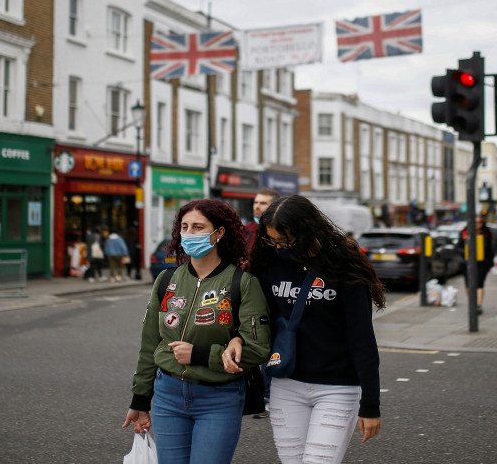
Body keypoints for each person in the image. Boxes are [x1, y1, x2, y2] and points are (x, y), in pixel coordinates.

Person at [237, 195, 385, 464]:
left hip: (337, 387)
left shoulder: (343, 265)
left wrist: (371, 404)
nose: (280, 247)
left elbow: (362, 338)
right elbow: (256, 319)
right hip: (286, 384)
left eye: (287, 241)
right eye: (273, 240)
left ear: (307, 231)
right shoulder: (270, 263)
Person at [122, 199, 272, 464]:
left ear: (219, 233)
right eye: (185, 227)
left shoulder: (243, 283)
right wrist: (140, 399)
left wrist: (201, 355)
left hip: (219, 397)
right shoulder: (166, 280)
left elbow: (258, 349)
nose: (189, 234)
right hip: (168, 395)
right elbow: (150, 344)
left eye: (198, 227)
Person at [243, 187, 280, 419]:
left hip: (271, 297)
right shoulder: (246, 231)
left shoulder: (276, 233)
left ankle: (268, 396)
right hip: (248, 296)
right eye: (256, 202)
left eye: (264, 203)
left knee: (270, 347)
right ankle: (257, 396)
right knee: (251, 344)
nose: (257, 206)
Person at [469, 216, 494, 314]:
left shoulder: (486, 234)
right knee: (470, 285)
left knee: (479, 283)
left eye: (479, 222)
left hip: (483, 263)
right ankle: (473, 303)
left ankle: (478, 305)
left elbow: (490, 249)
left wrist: (490, 263)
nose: (477, 224)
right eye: (475, 222)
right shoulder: (466, 233)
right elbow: (460, 246)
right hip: (469, 263)